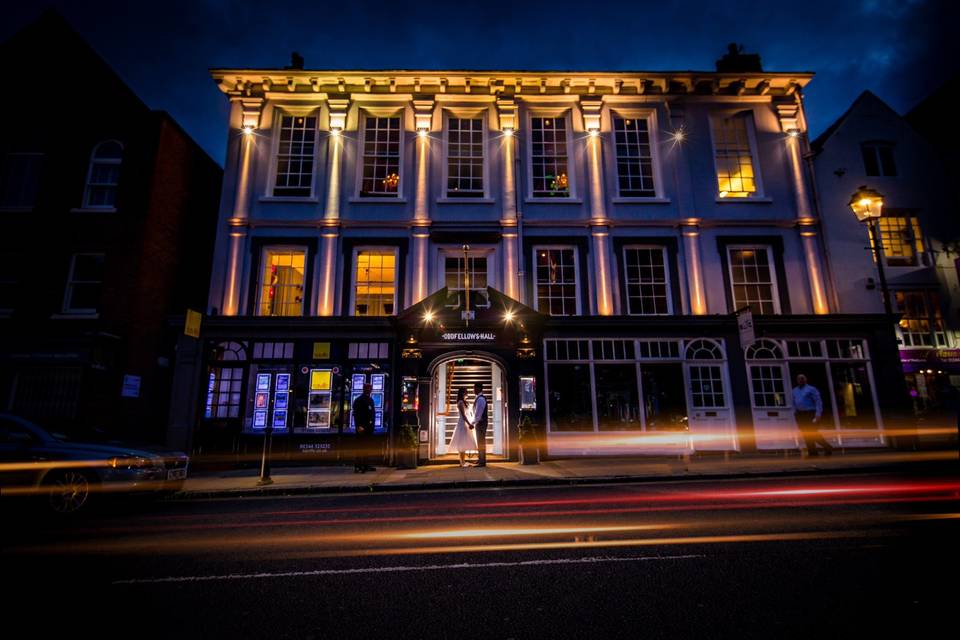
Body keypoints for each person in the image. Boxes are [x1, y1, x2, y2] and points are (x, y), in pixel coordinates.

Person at [793, 374, 834, 456]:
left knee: (812, 432)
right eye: (799, 378)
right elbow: (794, 402)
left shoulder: (811, 389)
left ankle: (827, 446)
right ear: (797, 380)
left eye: (802, 378)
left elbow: (818, 402)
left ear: (806, 379)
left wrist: (818, 414)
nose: (801, 380)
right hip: (800, 414)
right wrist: (795, 412)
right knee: (805, 434)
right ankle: (813, 452)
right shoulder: (794, 390)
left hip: (810, 413)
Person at [447, 387, 477, 467]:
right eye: (466, 392)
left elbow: (468, 413)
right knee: (462, 444)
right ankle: (462, 462)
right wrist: (469, 424)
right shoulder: (460, 402)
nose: (467, 393)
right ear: (462, 393)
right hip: (462, 424)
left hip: (465, 423)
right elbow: (463, 416)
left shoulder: (465, 402)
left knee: (463, 444)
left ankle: (462, 462)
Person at [352, 382, 376, 473]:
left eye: (370, 389)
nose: (370, 390)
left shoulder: (370, 400)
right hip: (362, 428)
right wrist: (359, 426)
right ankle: (358, 466)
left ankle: (366, 465)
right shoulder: (359, 400)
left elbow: (372, 414)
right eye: (368, 388)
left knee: (367, 447)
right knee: (360, 447)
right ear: (365, 389)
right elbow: (357, 414)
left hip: (369, 428)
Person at [472, 381, 489, 467]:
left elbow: (478, 414)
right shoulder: (479, 398)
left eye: (474, 388)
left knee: (481, 442)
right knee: (480, 442)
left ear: (478, 388)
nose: (473, 389)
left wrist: (472, 423)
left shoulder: (481, 399)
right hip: (480, 423)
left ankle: (482, 461)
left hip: (481, 423)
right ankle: (480, 459)